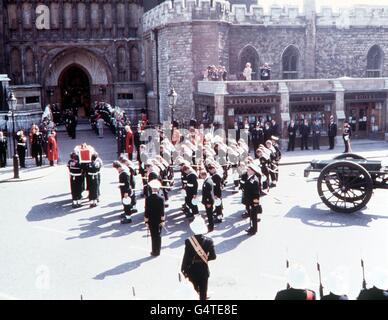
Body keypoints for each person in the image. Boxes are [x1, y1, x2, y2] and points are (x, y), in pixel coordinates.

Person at [181, 217, 216, 300]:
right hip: (203, 269)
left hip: (192, 269)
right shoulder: (209, 241)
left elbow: (186, 257)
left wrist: (183, 269)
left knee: (194, 292)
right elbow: (213, 256)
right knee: (203, 293)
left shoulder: (189, 241)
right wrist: (204, 259)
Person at [144, 179, 165, 257]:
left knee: (153, 236)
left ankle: (154, 251)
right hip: (159, 220)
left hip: (151, 220)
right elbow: (162, 211)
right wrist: (163, 220)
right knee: (158, 235)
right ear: (158, 189)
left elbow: (146, 211)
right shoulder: (161, 199)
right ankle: (158, 251)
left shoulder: (148, 199)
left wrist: (146, 221)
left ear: (152, 189)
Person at [244, 162, 262, 235]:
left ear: (252, 171)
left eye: (248, 170)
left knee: (254, 216)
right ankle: (251, 227)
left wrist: (255, 204)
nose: (247, 171)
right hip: (250, 200)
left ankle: (254, 230)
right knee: (252, 215)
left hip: (253, 201)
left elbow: (256, 194)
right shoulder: (250, 178)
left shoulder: (254, 180)